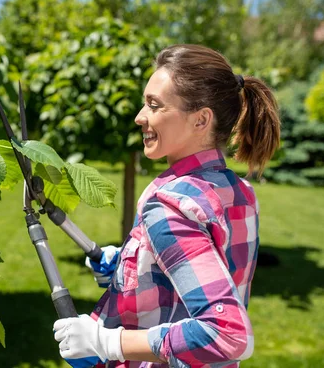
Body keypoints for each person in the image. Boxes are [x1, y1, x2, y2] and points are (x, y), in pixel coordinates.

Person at [53, 44, 281, 368]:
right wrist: (128, 264)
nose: (139, 117)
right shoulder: (240, 192)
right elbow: (195, 278)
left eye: (154, 105)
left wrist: (106, 341)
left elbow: (226, 334)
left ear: (201, 120)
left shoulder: (170, 208)